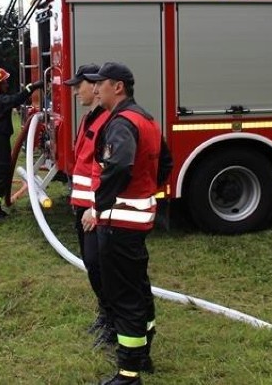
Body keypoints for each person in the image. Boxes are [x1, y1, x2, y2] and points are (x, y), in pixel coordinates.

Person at [82, 62, 161, 385]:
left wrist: (99, 207)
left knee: (124, 296)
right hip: (138, 217)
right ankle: (143, 355)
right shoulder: (147, 119)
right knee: (139, 289)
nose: (95, 89)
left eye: (101, 84)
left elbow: (118, 168)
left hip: (119, 221)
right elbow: (165, 163)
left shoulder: (121, 124)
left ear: (119, 87)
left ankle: (128, 373)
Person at [64, 64, 114, 348]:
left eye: (77, 86)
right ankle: (105, 313)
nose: (74, 92)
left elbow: (105, 170)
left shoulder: (108, 122)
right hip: (81, 205)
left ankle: (113, 320)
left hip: (95, 210)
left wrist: (94, 208)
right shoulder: (87, 120)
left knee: (99, 264)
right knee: (91, 264)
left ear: (94, 86)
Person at [0, 67, 43, 223]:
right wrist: (33, 86)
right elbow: (16, 99)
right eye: (4, 81)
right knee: (1, 175)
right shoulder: (0, 101)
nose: (7, 84)